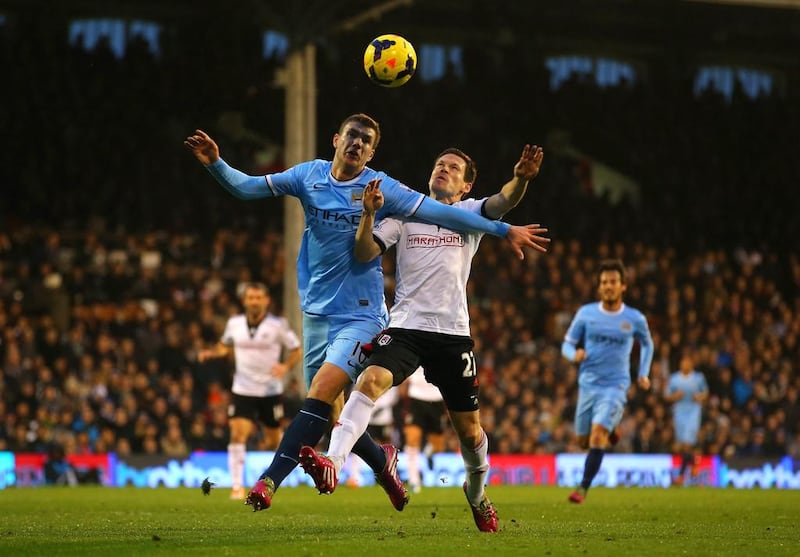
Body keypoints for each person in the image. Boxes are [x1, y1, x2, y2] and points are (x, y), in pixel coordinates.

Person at [184, 113, 548, 513]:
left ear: (373, 151)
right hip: (341, 314)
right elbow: (252, 190)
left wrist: (509, 214)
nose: (357, 143)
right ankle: (381, 464)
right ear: (336, 139)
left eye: (366, 140)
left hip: (387, 319)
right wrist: (216, 163)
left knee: (455, 427)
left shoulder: (433, 203)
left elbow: (494, 204)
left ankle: (271, 482)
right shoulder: (321, 180)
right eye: (352, 136)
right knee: (331, 408)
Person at [297, 144, 548, 533]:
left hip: (452, 336)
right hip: (406, 328)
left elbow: (503, 201)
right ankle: (334, 461)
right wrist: (368, 215)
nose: (443, 170)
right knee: (369, 380)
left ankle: (477, 494)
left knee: (469, 432)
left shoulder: (469, 214)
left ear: (466, 185)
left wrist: (522, 179)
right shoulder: (404, 214)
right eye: (438, 165)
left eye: (452, 168)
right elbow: (364, 253)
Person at [561, 258, 654, 504]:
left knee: (597, 435)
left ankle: (582, 488)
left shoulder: (634, 318)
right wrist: (574, 355)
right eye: (604, 282)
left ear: (623, 286)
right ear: (599, 287)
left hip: (616, 385)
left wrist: (643, 373)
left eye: (613, 282)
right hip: (588, 384)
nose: (608, 286)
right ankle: (612, 429)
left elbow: (647, 343)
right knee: (583, 441)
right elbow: (567, 344)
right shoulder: (586, 313)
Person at [198, 282, 302, 499]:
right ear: (244, 301)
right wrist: (212, 353)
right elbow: (224, 345)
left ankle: (276, 479)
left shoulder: (278, 325)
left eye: (258, 298)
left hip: (269, 391)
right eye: (250, 298)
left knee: (274, 441)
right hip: (242, 390)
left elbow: (296, 349)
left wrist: (285, 367)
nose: (254, 301)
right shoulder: (234, 324)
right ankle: (237, 486)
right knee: (237, 434)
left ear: (266, 301)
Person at [665, 351, 708, 486]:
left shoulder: (698, 378)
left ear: (691, 364)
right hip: (679, 411)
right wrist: (675, 396)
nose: (686, 365)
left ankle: (682, 476)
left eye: (688, 363)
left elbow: (705, 392)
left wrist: (700, 397)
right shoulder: (674, 378)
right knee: (682, 446)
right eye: (683, 363)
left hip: (694, 411)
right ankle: (695, 462)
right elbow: (667, 395)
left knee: (688, 443)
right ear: (680, 365)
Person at [401, 366, 447, 494]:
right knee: (412, 438)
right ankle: (414, 480)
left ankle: (429, 451)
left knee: (438, 446)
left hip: (437, 398)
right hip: (416, 396)